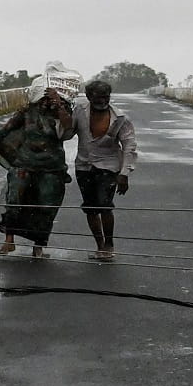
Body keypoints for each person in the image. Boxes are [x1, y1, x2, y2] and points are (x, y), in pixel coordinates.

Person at [0, 67, 79, 259]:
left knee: (46, 206)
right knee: (14, 200)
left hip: (51, 167)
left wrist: (58, 105)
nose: (45, 103)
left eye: (49, 99)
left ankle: (38, 246)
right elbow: (5, 130)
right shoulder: (27, 113)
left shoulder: (63, 112)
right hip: (24, 164)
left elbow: (68, 128)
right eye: (43, 99)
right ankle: (9, 241)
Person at [71, 80, 138, 262]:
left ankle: (109, 245)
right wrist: (62, 114)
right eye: (98, 97)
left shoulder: (120, 118)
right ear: (88, 96)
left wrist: (124, 174)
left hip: (108, 167)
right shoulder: (79, 112)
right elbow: (66, 133)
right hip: (84, 166)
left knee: (105, 206)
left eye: (106, 96)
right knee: (90, 208)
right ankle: (100, 246)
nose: (102, 100)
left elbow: (129, 146)